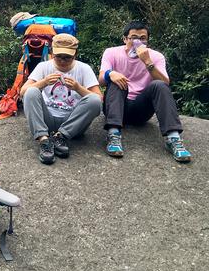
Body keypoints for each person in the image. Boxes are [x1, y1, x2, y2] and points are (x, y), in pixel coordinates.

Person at [99, 21, 192, 162]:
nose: (138, 42)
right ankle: (113, 135)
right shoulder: (111, 52)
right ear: (125, 39)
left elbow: (165, 83)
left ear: (147, 41)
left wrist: (147, 62)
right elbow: (101, 80)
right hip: (116, 107)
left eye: (142, 38)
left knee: (159, 85)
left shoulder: (156, 57)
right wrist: (110, 74)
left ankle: (173, 139)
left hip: (141, 110)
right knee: (116, 80)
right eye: (133, 38)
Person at [20, 33, 102, 165]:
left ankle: (61, 136)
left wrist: (77, 88)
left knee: (94, 100)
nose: (62, 61)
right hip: (47, 120)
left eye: (67, 57)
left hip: (73, 123)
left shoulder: (84, 69)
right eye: (58, 57)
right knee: (31, 91)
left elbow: (98, 99)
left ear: (75, 54)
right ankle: (44, 140)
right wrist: (44, 82)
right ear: (52, 53)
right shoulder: (44, 66)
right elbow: (23, 91)